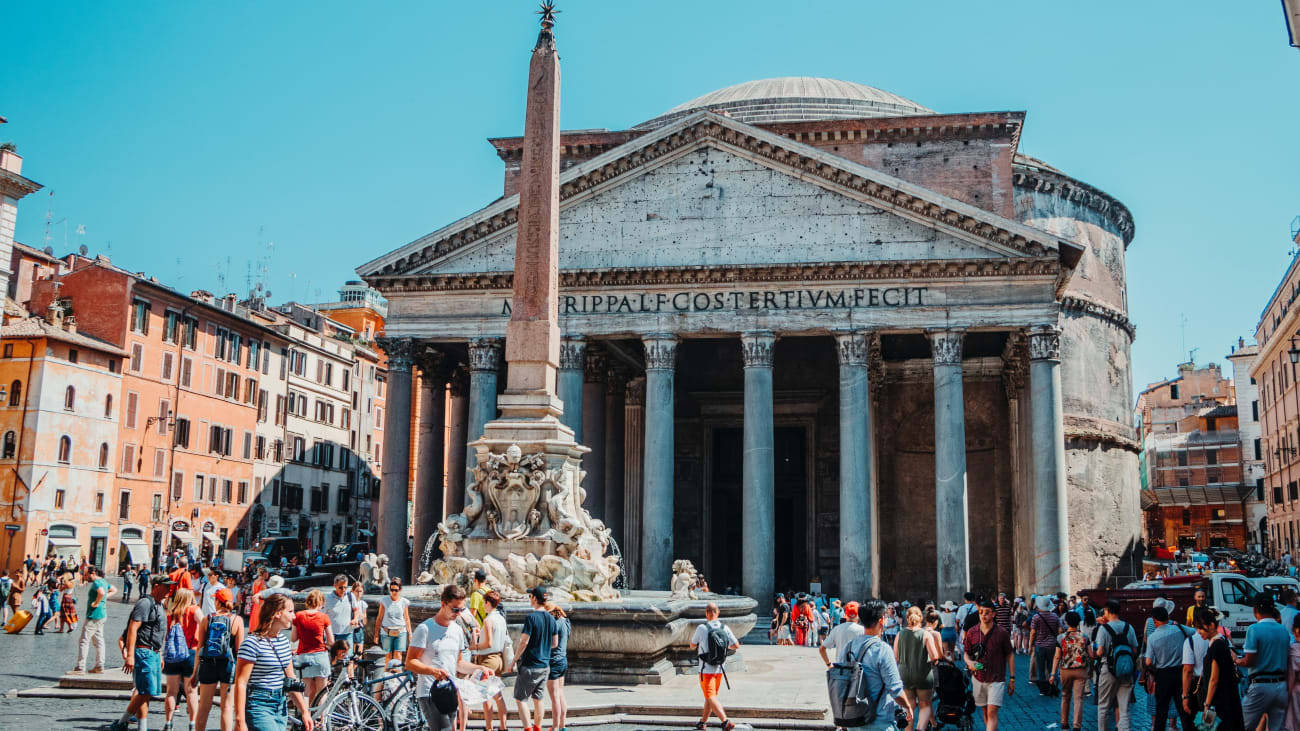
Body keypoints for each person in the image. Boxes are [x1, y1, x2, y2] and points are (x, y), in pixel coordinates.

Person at [405, 583, 496, 731]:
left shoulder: (457, 630)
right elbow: (410, 662)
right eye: (454, 609)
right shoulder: (425, 629)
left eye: (461, 609)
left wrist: (480, 668)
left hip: (450, 691)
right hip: (429, 692)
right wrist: (433, 671)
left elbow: (459, 663)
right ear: (443, 604)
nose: (458, 613)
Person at [235, 592, 312, 731]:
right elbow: (241, 682)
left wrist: (304, 711)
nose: (294, 616)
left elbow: (291, 678)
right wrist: (240, 720)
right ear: (277, 613)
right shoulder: (252, 643)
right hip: (259, 703)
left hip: (280, 704)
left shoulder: (283, 641)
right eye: (290, 611)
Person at [110, 577, 173, 731]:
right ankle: (121, 723)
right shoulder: (145, 603)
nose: (169, 590)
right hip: (144, 651)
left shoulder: (159, 605)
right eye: (166, 587)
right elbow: (133, 628)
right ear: (156, 586)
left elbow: (157, 632)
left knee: (146, 693)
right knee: (146, 691)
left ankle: (142, 727)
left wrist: (159, 654)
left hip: (154, 653)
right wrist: (130, 655)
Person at [842, 599, 914, 730]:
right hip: (879, 721)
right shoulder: (882, 649)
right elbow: (895, 689)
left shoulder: (849, 647)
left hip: (854, 721)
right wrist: (908, 706)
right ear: (882, 620)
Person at [505, 586, 558, 731]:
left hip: (530, 665)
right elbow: (555, 643)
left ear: (534, 598)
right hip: (545, 665)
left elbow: (524, 642)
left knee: (520, 699)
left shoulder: (531, 617)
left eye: (530, 596)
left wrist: (514, 660)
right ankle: (537, 727)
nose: (530, 599)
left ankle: (528, 728)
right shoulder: (551, 618)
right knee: (538, 698)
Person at [191, 587, 244, 731]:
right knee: (226, 708)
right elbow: (239, 650)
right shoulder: (237, 620)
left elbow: (199, 648)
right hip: (228, 665)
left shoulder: (206, 619)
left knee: (204, 707)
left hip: (208, 664)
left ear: (217, 601)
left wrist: (195, 672)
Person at [1239, 594, 1290, 730]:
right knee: (1277, 727)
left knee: (1245, 726)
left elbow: (1249, 661)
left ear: (1255, 610)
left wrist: (1237, 660)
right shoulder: (1283, 630)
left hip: (1261, 685)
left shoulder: (1254, 629)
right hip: (1281, 686)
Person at [963, 600, 1014, 731]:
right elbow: (966, 653)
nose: (983, 615)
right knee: (985, 712)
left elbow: (1009, 654)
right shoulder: (972, 632)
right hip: (978, 677)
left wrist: (1012, 678)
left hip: (997, 677)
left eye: (986, 613)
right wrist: (970, 663)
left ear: (993, 614)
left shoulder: (1002, 633)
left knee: (992, 712)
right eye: (981, 612)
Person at [689, 601, 739, 731]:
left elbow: (692, 645)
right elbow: (736, 645)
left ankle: (725, 721)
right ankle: (702, 723)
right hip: (719, 669)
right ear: (718, 613)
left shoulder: (702, 628)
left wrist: (699, 645)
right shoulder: (724, 628)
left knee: (710, 696)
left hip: (705, 669)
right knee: (710, 697)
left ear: (706, 613)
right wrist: (724, 647)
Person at [1143, 606, 1195, 731]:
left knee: (1161, 710)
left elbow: (1148, 661)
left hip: (1163, 675)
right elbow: (1195, 632)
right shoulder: (1179, 629)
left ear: (1154, 621)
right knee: (1183, 708)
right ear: (1168, 617)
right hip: (1181, 673)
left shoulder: (1152, 638)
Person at [1193, 607, 1243, 731]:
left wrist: (1207, 704)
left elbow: (1214, 679)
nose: (1198, 632)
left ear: (1210, 625)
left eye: (1200, 628)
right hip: (1223, 700)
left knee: (1212, 727)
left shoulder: (1217, 645)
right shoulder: (1219, 642)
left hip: (1219, 703)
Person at [1093, 598, 1138, 731]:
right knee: (1124, 709)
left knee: (1103, 707)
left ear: (1107, 611)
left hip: (1108, 670)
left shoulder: (1103, 629)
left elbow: (1100, 652)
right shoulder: (1128, 627)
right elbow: (1135, 649)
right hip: (1126, 670)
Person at [894, 605, 942, 731]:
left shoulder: (900, 634)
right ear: (921, 618)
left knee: (909, 705)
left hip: (904, 675)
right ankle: (920, 728)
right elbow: (934, 656)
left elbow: (896, 656)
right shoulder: (926, 634)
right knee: (925, 705)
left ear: (907, 617)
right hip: (923, 674)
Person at [162, 587, 203, 731]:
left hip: (173, 655)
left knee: (171, 691)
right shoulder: (193, 610)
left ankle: (168, 723)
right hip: (191, 653)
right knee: (191, 691)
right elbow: (205, 625)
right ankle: (192, 724)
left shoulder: (170, 613)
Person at [469, 590, 509, 731]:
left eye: (483, 603)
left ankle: (489, 727)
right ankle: (503, 727)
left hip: (487, 660)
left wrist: (474, 646)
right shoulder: (501, 619)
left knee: (486, 696)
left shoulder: (488, 619)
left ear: (487, 603)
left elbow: (489, 644)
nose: (483, 606)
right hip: (498, 659)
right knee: (497, 695)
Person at [290, 589, 334, 702]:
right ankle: (322, 718)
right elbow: (331, 641)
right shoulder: (324, 617)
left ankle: (305, 716)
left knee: (306, 691)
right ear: (320, 603)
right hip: (320, 656)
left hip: (304, 656)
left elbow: (293, 638)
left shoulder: (298, 616)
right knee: (322, 691)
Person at [71, 566, 115, 674]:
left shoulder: (97, 583)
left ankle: (80, 667)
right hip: (102, 615)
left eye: (86, 574)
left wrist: (96, 602)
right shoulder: (103, 581)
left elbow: (101, 593)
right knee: (99, 640)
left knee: (84, 641)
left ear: (93, 573)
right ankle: (99, 666)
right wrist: (103, 599)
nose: (85, 577)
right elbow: (114, 590)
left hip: (94, 615)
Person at [1051, 610, 1091, 731]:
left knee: (1065, 696)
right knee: (1078, 698)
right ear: (1078, 622)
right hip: (1081, 670)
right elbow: (1091, 654)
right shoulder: (1084, 637)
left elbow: (1057, 656)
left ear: (1066, 622)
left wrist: (1053, 673)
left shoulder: (1060, 637)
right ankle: (1076, 725)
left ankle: (1064, 723)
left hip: (1065, 670)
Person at [1027, 594, 1060, 694]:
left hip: (1040, 645)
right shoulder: (1055, 616)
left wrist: (1030, 645)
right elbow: (1060, 630)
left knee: (1041, 668)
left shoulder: (1036, 617)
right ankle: (1052, 686)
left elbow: (1033, 633)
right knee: (1051, 667)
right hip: (1052, 645)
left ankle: (1043, 690)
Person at [376, 579, 412, 667]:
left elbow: (407, 618)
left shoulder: (404, 602)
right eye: (391, 590)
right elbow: (379, 618)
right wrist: (376, 635)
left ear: (400, 590)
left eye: (396, 590)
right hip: (386, 632)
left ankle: (397, 678)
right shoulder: (384, 600)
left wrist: (410, 633)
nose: (393, 592)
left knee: (398, 656)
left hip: (401, 632)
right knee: (387, 656)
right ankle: (386, 677)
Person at [322, 574, 360, 656]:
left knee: (349, 659)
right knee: (334, 660)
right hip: (333, 636)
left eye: (345, 587)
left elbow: (356, 609)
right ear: (335, 586)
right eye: (341, 587)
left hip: (348, 634)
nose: (343, 590)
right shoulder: (328, 599)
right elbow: (321, 616)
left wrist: (355, 618)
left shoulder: (350, 596)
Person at [547, 603, 571, 731]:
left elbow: (552, 643)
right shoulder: (566, 621)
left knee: (554, 696)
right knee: (560, 693)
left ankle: (555, 726)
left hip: (553, 661)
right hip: (563, 660)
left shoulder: (554, 624)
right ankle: (562, 725)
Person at [819, 601, 864, 666]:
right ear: (858, 614)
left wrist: (829, 664)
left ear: (846, 614)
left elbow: (822, 649)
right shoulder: (863, 630)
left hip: (841, 670)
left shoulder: (837, 629)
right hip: (857, 669)